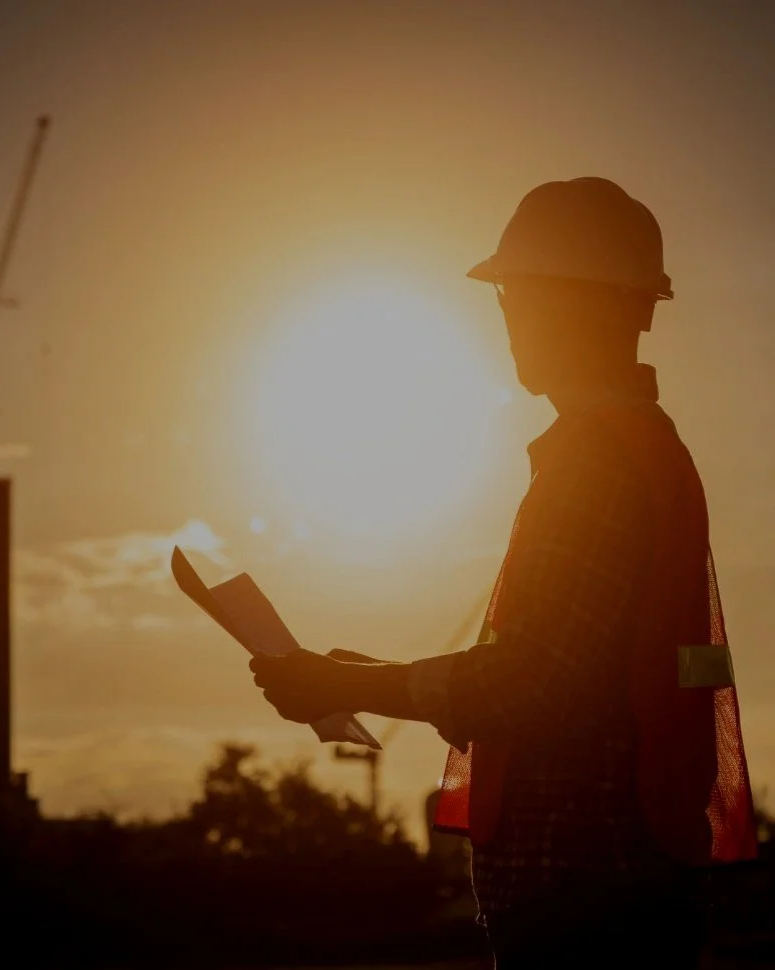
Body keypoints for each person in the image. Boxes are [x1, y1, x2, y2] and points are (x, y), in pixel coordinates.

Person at [250, 177, 757, 968]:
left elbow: (534, 681)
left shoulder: (595, 464)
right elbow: (576, 667)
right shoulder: (646, 452)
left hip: (583, 892)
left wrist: (350, 688)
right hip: (625, 879)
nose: (510, 323)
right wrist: (370, 676)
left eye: (521, 297)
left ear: (585, 304)